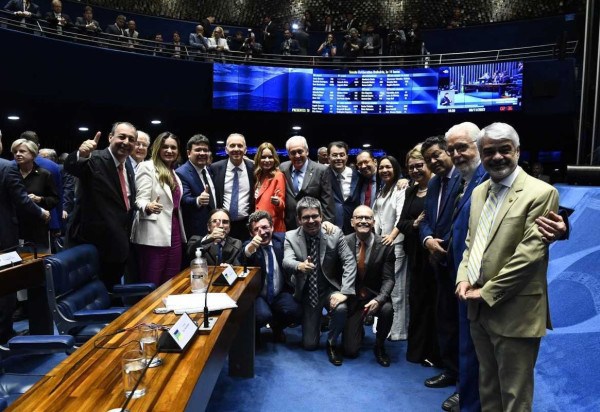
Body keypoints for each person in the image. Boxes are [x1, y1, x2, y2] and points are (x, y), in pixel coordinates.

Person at [456, 122, 559, 411]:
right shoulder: (478, 192)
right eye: (489, 152)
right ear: (481, 154)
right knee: (488, 386)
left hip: (515, 312)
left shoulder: (542, 193)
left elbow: (529, 255)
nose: (497, 157)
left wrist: (485, 292)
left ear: (517, 151)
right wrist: (462, 278)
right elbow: (471, 243)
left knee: (515, 395)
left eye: (505, 150)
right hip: (477, 310)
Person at [282, 197, 356, 365]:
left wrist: (345, 292)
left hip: (329, 288)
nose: (311, 221)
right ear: (299, 219)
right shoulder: (291, 237)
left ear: (322, 216)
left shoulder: (334, 233)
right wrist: (299, 265)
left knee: (341, 307)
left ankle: (332, 342)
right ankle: (319, 322)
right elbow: (286, 261)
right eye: (306, 217)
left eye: (315, 216)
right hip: (308, 293)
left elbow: (349, 261)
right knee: (309, 345)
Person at [64, 122, 137, 289]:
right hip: (93, 246)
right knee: (91, 299)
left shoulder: (128, 166)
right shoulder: (95, 159)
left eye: (131, 139)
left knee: (112, 295)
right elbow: (73, 166)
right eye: (122, 136)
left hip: (117, 248)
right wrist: (81, 155)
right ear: (110, 137)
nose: (126, 142)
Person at [419, 135, 462, 391]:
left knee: (461, 324)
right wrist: (427, 240)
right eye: (428, 159)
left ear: (449, 152)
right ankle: (451, 370)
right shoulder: (434, 183)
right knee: (445, 318)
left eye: (436, 155)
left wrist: (441, 243)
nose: (433, 161)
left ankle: (464, 380)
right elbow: (425, 219)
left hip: (458, 260)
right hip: (438, 262)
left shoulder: (466, 179)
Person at [0, 132, 50, 344]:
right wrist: (41, 212)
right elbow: (21, 200)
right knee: (6, 286)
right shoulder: (6, 167)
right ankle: (4, 335)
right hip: (3, 237)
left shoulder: (44, 173)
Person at [397, 145, 440, 367]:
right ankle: (416, 351)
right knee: (417, 303)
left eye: (419, 166)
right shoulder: (410, 191)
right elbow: (401, 223)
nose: (415, 170)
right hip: (414, 255)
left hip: (434, 256)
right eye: (411, 167)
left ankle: (433, 353)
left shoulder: (439, 188)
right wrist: (414, 224)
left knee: (434, 305)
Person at [131, 132, 186, 286]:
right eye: (165, 147)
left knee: (171, 280)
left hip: (173, 232)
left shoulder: (174, 172)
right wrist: (147, 206)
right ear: (157, 149)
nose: (169, 151)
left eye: (173, 148)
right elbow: (139, 199)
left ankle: (166, 310)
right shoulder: (147, 167)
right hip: (152, 234)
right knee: (152, 281)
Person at [344, 205, 395, 366]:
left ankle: (379, 346)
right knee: (350, 351)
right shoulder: (344, 242)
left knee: (387, 309)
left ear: (373, 222)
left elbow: (389, 279)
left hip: (374, 296)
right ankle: (355, 329)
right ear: (352, 222)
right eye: (359, 218)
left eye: (367, 218)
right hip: (353, 298)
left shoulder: (386, 245)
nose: (363, 221)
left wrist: (379, 300)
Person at [242, 211, 302, 343]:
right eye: (256, 229)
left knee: (295, 311)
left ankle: (277, 326)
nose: (262, 232)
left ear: (272, 227)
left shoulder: (281, 240)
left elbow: (302, 232)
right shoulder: (250, 245)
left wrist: (325, 224)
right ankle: (256, 332)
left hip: (279, 293)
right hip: (258, 296)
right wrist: (251, 247)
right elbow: (244, 253)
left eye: (265, 227)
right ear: (252, 234)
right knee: (262, 315)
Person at [372, 155, 408, 340]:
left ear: (395, 169)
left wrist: (392, 237)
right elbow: (377, 217)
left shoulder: (401, 188)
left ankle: (398, 330)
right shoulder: (382, 189)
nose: (384, 170)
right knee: (385, 286)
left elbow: (402, 216)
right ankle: (386, 326)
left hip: (396, 243)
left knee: (397, 289)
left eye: (388, 167)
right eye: (381, 168)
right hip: (382, 244)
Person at [11, 138, 58, 253]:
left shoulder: (44, 174)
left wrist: (40, 199)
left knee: (38, 265)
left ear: (33, 154)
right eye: (15, 151)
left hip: (37, 228)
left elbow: (54, 199)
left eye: (22, 151)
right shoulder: (10, 173)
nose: (18, 154)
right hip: (14, 228)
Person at [279, 135, 335, 230]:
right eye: (293, 153)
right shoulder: (283, 168)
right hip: (290, 225)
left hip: (313, 224)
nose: (297, 156)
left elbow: (327, 200)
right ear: (288, 154)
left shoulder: (321, 170)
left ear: (307, 151)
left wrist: (327, 222)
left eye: (300, 151)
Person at [210, 133, 254, 240]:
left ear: (245, 149)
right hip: (222, 224)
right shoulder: (215, 168)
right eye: (232, 145)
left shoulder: (253, 168)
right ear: (226, 149)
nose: (236, 149)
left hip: (246, 225)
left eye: (240, 145)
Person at [176, 134, 215, 240]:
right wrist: (198, 200)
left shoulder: (209, 170)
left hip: (213, 229)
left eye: (205, 150)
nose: (202, 153)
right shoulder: (181, 173)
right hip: (195, 232)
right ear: (189, 153)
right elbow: (183, 199)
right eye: (198, 150)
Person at [327, 141, 359, 234]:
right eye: (334, 155)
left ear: (347, 157)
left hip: (353, 228)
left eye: (341, 155)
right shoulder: (322, 175)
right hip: (330, 227)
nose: (338, 158)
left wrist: (401, 179)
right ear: (329, 158)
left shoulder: (358, 175)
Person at [253, 142, 286, 232]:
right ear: (259, 158)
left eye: (270, 157)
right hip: (259, 226)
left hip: (274, 226)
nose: (267, 160)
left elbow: (282, 204)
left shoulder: (278, 175)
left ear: (274, 158)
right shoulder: (258, 175)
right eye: (263, 157)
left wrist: (278, 202)